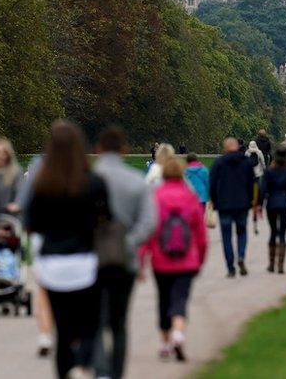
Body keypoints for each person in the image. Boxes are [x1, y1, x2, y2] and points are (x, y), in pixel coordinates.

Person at [27, 121, 110, 378]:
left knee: (63, 330)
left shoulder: (42, 185)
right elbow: (106, 221)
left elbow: (33, 224)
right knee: (90, 324)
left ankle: (68, 370)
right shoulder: (93, 182)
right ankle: (83, 361)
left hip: (53, 263)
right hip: (85, 261)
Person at [90, 126, 157, 379]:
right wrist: (128, 242)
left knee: (95, 319)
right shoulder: (136, 181)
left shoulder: (87, 179)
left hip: (93, 258)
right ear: (124, 150)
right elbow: (149, 221)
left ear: (97, 149)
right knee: (118, 323)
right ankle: (116, 373)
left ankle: (101, 371)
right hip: (125, 260)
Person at [139, 157, 207, 363]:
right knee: (180, 299)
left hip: (161, 259)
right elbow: (201, 236)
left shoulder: (155, 197)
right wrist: (200, 259)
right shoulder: (190, 197)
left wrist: (141, 260)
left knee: (164, 299)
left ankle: (166, 343)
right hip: (187, 260)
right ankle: (178, 334)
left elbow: (148, 232)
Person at [14, 155, 56, 358]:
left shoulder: (35, 183)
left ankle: (45, 334)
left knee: (43, 287)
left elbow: (24, 208)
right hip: (63, 241)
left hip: (42, 238)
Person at [209, 137, 256, 278]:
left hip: (224, 205)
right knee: (241, 232)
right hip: (242, 204)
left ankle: (230, 267)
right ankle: (241, 255)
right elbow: (251, 184)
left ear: (225, 148)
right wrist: (251, 201)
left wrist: (215, 201)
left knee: (226, 236)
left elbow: (212, 185)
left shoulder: (218, 163)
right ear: (238, 147)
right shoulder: (246, 163)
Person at [260, 147, 286, 274]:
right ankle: (280, 265)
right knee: (282, 233)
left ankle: (271, 264)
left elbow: (263, 189)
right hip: (285, 203)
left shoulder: (269, 171)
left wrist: (261, 203)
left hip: (271, 202)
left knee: (273, 231)